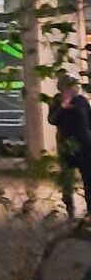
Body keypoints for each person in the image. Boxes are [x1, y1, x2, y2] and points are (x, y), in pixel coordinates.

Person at [48, 74, 91, 217]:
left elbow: (88, 121)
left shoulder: (81, 101)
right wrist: (62, 107)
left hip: (84, 146)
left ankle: (89, 209)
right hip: (66, 146)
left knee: (88, 177)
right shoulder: (57, 101)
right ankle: (69, 208)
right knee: (67, 178)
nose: (74, 89)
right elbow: (52, 120)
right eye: (70, 87)